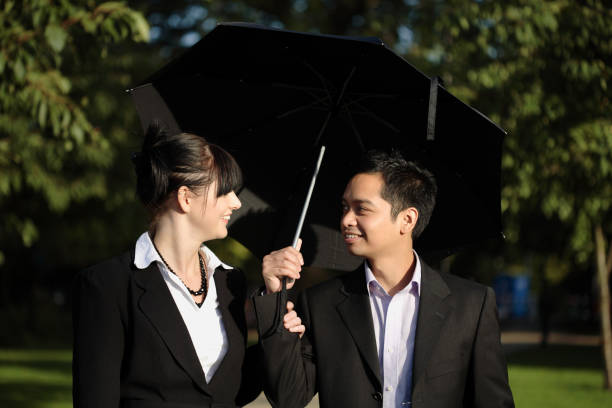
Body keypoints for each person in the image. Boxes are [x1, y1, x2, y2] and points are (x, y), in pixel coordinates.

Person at [253, 150, 514, 408]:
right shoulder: (321, 302)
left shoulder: (471, 305)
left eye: (361, 209)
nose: (346, 220)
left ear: (407, 219)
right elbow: (287, 397)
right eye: (344, 207)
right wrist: (274, 296)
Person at [72, 124, 304, 408]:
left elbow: (233, 389)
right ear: (185, 198)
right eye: (224, 191)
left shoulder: (231, 282)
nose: (235, 202)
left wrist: (273, 312)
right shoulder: (109, 285)